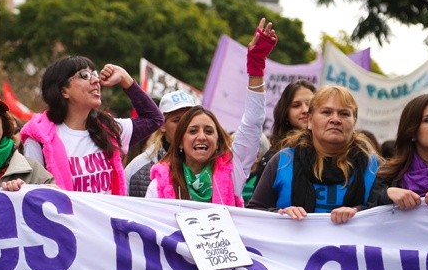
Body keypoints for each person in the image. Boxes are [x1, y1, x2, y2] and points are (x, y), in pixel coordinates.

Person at [145, 17, 277, 206]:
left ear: (218, 141)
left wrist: (256, 66)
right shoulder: (158, 186)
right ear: (180, 141)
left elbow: (253, 121)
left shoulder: (233, 172)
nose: (201, 137)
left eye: (208, 131)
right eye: (193, 131)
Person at [19, 56, 163, 195]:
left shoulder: (108, 129)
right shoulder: (39, 139)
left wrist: (125, 79)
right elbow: (32, 194)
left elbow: (154, 119)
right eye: (84, 75)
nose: (96, 80)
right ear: (63, 91)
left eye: (94, 74)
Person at [247, 85, 381, 224]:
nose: (335, 119)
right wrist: (280, 214)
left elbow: (389, 214)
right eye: (326, 112)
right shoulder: (283, 161)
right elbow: (253, 213)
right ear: (310, 120)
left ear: (354, 122)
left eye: (344, 114)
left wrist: (359, 212)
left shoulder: (373, 166)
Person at [124, 90, 197, 197]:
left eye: (189, 120)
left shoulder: (210, 165)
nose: (185, 126)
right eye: (177, 120)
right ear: (162, 125)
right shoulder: (136, 169)